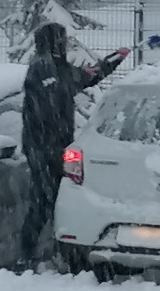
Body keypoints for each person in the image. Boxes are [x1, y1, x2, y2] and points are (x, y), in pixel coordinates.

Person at [18, 22, 128, 268]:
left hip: (57, 145)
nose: (64, 45)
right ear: (54, 42)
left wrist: (113, 61)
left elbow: (83, 79)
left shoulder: (57, 67)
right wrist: (77, 76)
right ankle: (27, 254)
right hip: (43, 147)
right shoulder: (42, 68)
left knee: (59, 197)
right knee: (44, 199)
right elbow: (55, 92)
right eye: (62, 40)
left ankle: (51, 250)